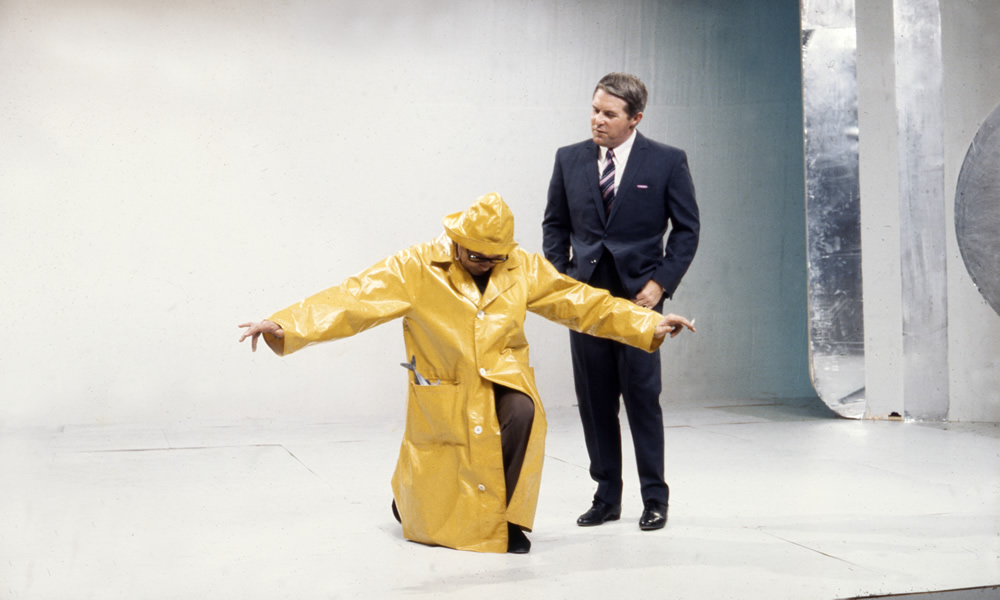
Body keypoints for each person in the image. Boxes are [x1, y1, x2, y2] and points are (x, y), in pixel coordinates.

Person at [240, 193, 695, 554]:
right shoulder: (416, 265)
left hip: (504, 373)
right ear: (456, 242)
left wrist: (646, 322)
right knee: (442, 458)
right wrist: (286, 324)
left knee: (522, 415)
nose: (487, 264)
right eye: (478, 257)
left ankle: (507, 521)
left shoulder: (521, 266)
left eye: (496, 258)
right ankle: (409, 501)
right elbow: (353, 299)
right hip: (446, 378)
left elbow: (579, 301)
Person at [542, 72, 700, 531]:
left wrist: (661, 284)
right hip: (586, 301)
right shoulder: (569, 159)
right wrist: (565, 280)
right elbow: (554, 224)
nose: (598, 120)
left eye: (609, 114)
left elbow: (687, 229)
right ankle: (606, 497)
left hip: (638, 301)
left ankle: (655, 499)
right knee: (594, 402)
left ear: (635, 118)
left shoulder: (667, 161)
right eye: (595, 109)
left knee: (642, 399)